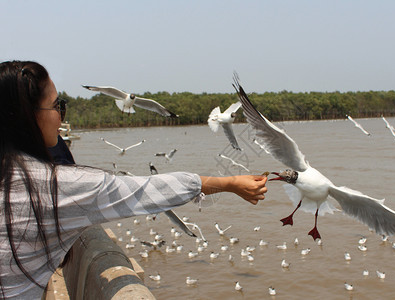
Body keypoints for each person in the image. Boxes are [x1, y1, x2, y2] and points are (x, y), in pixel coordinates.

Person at [0, 60, 268, 299]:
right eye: (58, 105)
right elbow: (151, 190)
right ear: (29, 115)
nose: (61, 114)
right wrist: (230, 183)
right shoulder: (59, 186)